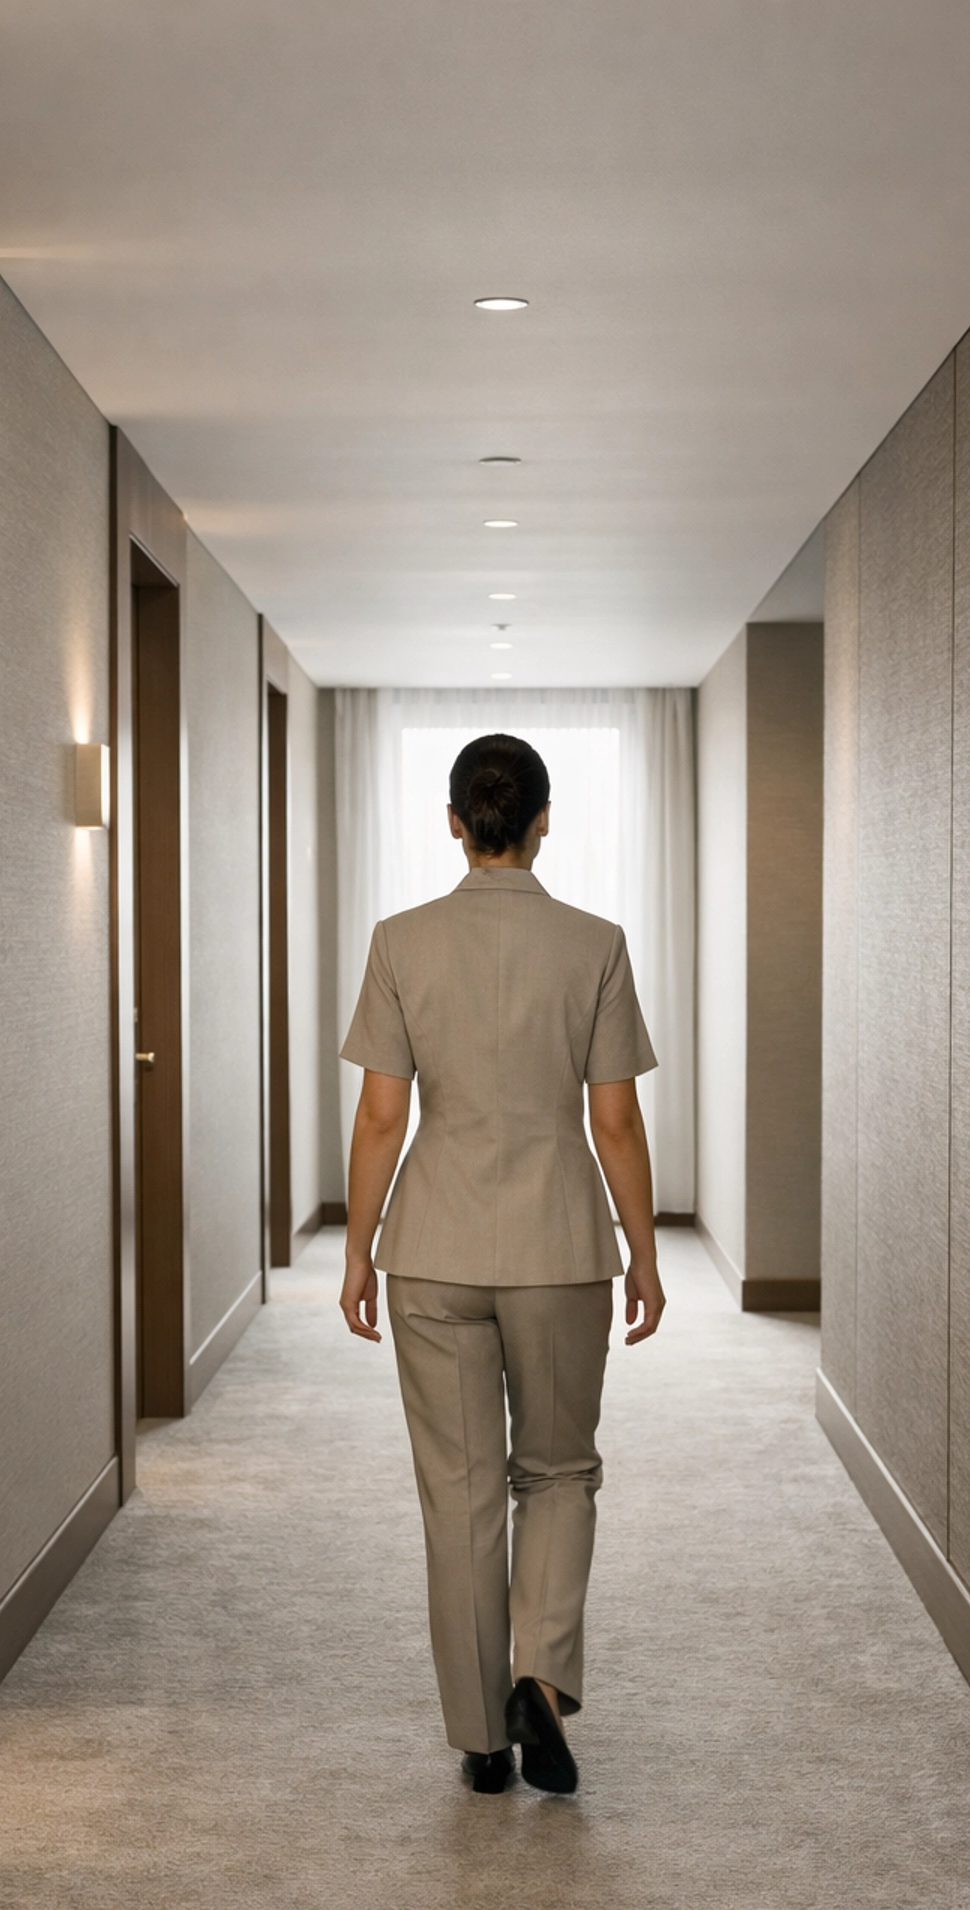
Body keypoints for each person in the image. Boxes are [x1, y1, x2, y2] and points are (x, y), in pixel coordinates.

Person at [339, 733, 664, 1795]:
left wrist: (356, 1249)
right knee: (560, 1471)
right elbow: (613, 1122)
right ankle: (539, 1672)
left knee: (461, 1491)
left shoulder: (399, 942)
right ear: (543, 820)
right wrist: (646, 1254)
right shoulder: (596, 944)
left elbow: (383, 1114)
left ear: (452, 822)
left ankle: (483, 1740)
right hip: (559, 1250)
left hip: (429, 1249)